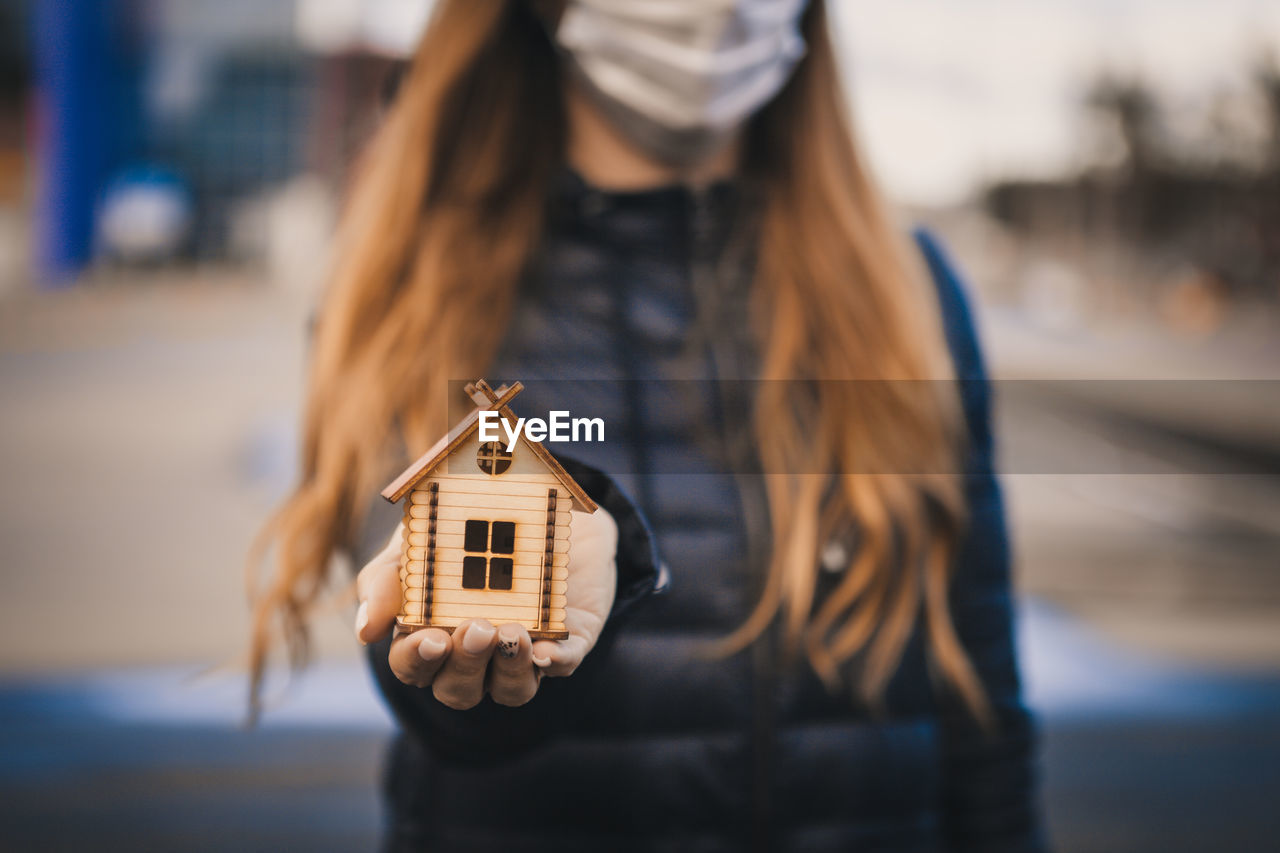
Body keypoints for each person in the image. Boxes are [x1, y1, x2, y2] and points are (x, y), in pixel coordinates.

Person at [249, 1, 1043, 850]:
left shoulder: (909, 296)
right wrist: (552, 570)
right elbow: (435, 663)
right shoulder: (413, 291)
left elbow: (981, 711)